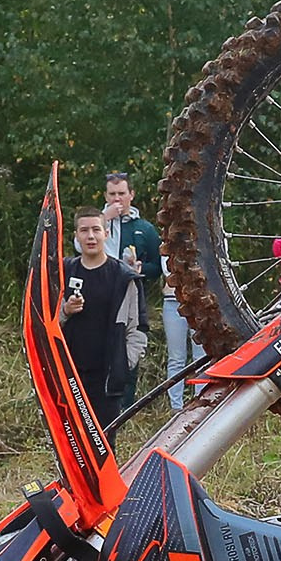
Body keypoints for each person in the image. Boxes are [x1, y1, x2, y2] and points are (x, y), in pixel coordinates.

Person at [60, 208, 146, 425]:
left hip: (106, 380)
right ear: (76, 236)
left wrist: (123, 364)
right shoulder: (62, 271)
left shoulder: (125, 278)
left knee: (104, 443)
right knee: (72, 441)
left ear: (106, 234)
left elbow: (138, 329)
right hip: (68, 375)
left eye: (96, 230)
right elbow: (43, 320)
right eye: (84, 230)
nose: (91, 236)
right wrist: (65, 311)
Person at [101, 172, 163, 408]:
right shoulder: (97, 223)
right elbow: (79, 248)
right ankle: (99, 401)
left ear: (131, 195)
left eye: (122, 194)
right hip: (101, 292)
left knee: (129, 345)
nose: (117, 199)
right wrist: (104, 218)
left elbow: (158, 266)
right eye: (112, 194)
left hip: (132, 296)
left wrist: (140, 269)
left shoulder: (144, 228)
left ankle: (125, 405)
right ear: (105, 196)